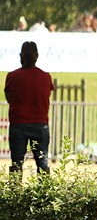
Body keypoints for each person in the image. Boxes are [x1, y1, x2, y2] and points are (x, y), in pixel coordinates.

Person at [4, 41, 55, 177]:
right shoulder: (45, 77)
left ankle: (14, 196)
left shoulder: (12, 76)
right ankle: (45, 194)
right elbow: (47, 95)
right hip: (40, 125)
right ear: (37, 56)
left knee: (16, 164)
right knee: (42, 164)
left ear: (21, 56)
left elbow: (9, 98)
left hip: (18, 124)